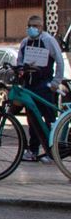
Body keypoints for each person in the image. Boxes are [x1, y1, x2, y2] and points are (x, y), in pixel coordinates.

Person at [17, 15, 66, 162]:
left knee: (49, 118)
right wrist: (20, 70)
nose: (32, 28)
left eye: (35, 26)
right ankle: (33, 150)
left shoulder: (48, 41)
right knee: (32, 120)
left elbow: (59, 61)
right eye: (30, 25)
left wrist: (56, 82)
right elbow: (19, 60)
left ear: (41, 27)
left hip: (45, 86)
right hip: (29, 86)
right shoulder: (25, 42)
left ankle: (53, 152)